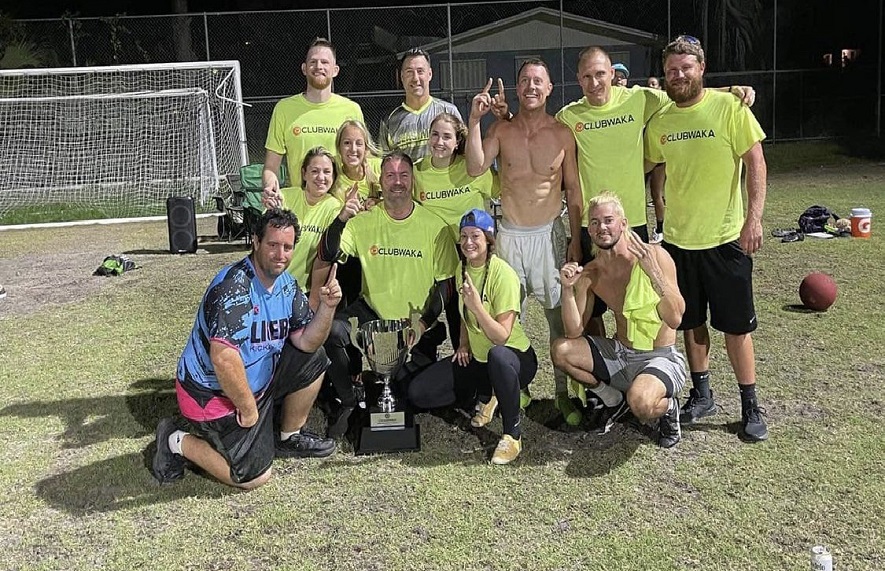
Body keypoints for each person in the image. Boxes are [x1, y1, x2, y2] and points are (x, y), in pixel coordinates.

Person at [151, 208, 342, 489]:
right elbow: (224, 358)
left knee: (315, 358)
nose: (280, 254)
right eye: (273, 245)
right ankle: (175, 439)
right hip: (213, 395)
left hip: (256, 386)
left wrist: (327, 308)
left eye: (287, 247)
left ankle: (289, 436)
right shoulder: (234, 288)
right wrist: (248, 409)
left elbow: (307, 341)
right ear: (255, 241)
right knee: (254, 477)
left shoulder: (287, 285)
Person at [644, 35, 769, 442]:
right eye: (671, 71)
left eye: (685, 68)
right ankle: (702, 395)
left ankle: (750, 403)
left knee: (736, 327)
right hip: (680, 241)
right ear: (663, 77)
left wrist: (754, 220)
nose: (678, 75)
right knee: (692, 323)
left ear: (701, 68)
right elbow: (645, 164)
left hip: (726, 238)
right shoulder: (661, 120)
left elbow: (755, 163)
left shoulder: (730, 107)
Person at [465, 59, 584, 425]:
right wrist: (474, 121)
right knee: (506, 318)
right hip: (511, 236)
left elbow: (574, 190)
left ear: (549, 88)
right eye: (525, 81)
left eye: (538, 81)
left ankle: (565, 395)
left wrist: (576, 240)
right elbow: (474, 167)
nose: (531, 86)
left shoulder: (563, 134)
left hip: (549, 234)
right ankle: (515, 387)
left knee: (558, 321)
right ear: (518, 89)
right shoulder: (502, 130)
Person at [312, 150, 459, 438]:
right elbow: (327, 252)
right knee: (330, 330)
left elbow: (447, 284)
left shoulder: (435, 227)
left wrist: (422, 322)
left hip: (413, 325)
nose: (397, 182)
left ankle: (392, 380)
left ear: (413, 180)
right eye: (390, 175)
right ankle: (350, 398)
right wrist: (342, 217)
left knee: (415, 395)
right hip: (370, 317)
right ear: (381, 180)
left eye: (404, 175)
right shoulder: (364, 220)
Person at [552, 192, 686, 447]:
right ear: (589, 231)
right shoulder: (591, 272)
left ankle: (668, 407)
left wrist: (653, 273)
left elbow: (675, 317)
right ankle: (613, 399)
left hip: (659, 356)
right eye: (594, 222)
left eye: (609, 220)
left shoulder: (654, 256)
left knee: (643, 404)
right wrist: (568, 289)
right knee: (562, 351)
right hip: (622, 353)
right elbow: (573, 332)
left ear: (623, 224)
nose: (602, 227)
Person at [408, 208, 537, 464]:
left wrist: (478, 306)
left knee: (498, 355)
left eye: (475, 236)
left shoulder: (504, 275)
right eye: (464, 236)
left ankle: (512, 435)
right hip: (479, 361)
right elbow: (463, 316)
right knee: (418, 393)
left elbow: (501, 336)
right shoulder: (462, 268)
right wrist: (464, 344)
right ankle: (489, 395)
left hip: (515, 360)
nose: (468, 242)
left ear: (489, 240)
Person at [414, 112, 497, 350]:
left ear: (458, 141)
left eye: (447, 137)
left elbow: (505, 189)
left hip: (474, 256)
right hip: (442, 262)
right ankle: (460, 371)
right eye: (435, 135)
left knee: (482, 318)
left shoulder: (474, 170)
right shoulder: (418, 173)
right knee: (455, 317)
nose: (440, 142)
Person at [263, 38, 364, 194]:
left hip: (342, 206)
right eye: (313, 62)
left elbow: (363, 162)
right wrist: (270, 187)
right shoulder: (284, 109)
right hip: (302, 209)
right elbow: (270, 168)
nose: (318, 67)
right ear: (304, 68)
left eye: (325, 62)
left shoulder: (351, 110)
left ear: (335, 70)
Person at [263, 147, 343, 298]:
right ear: (304, 173)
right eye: (314, 171)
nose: (321, 177)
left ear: (333, 176)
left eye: (327, 172)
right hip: (268, 284)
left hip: (301, 291)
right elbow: (264, 239)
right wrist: (272, 211)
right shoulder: (285, 197)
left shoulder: (335, 208)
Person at [378, 48, 462, 161]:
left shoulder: (448, 111)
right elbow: (384, 162)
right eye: (409, 72)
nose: (415, 78)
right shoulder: (389, 120)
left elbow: (463, 153)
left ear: (430, 74)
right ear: (402, 77)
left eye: (420, 71)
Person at [334, 119, 382, 208]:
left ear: (366, 148)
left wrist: (380, 203)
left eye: (359, 143)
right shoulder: (334, 181)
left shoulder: (380, 167)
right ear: (339, 147)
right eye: (347, 143)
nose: (353, 149)